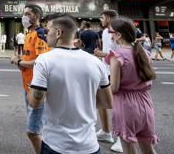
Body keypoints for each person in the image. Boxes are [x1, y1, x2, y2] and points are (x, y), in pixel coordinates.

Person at [28, 14, 113, 154]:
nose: (45, 34)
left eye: (48, 31)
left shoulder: (44, 60)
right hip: (90, 146)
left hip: (56, 145)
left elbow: (35, 102)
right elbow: (107, 103)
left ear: (58, 33)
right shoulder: (96, 62)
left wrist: (32, 89)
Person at [104, 17, 159, 154]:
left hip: (126, 106)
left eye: (111, 32)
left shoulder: (116, 56)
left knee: (129, 149)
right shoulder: (144, 54)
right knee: (148, 148)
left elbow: (114, 87)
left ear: (118, 35)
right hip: (146, 104)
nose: (109, 35)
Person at [10, 4, 50, 154]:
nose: (24, 16)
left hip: (38, 88)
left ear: (37, 17)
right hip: (27, 86)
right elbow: (30, 60)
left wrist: (19, 62)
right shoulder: (28, 34)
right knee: (39, 128)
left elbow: (41, 61)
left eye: (28, 13)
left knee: (34, 131)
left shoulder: (40, 34)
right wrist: (19, 61)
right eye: (24, 13)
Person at [94, 9, 122, 152]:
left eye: (103, 17)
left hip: (116, 71)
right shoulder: (105, 32)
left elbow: (122, 53)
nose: (101, 19)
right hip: (105, 70)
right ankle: (106, 131)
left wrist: (102, 54)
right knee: (101, 101)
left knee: (118, 105)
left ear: (109, 18)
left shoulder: (118, 31)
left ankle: (121, 139)